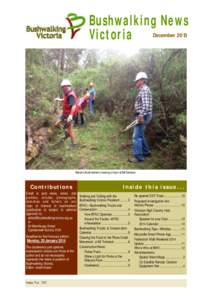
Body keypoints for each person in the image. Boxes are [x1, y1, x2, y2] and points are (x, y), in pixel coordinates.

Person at [128, 72, 153, 163]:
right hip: (144, 115)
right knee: (141, 135)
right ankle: (146, 152)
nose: (136, 83)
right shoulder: (143, 90)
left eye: (137, 81)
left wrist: (141, 115)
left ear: (142, 80)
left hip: (143, 115)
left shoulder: (145, 90)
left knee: (136, 137)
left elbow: (146, 106)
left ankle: (138, 157)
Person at [54, 79, 78, 145]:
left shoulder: (71, 95)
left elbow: (73, 106)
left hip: (70, 114)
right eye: (62, 87)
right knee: (57, 124)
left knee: (70, 129)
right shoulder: (67, 94)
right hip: (65, 114)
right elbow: (65, 100)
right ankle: (66, 133)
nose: (63, 89)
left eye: (64, 87)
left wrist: (71, 115)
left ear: (68, 86)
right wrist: (59, 99)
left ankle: (74, 144)